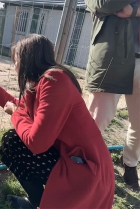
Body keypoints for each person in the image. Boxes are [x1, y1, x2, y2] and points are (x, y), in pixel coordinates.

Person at [0, 34, 115, 209]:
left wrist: (15, 115)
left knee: (13, 143)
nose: (15, 67)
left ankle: (39, 204)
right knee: (13, 142)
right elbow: (20, 107)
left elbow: (36, 143)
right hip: (73, 160)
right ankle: (38, 203)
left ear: (27, 59)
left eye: (16, 60)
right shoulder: (43, 82)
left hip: (88, 172)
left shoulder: (54, 81)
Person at [85, 0, 140, 190]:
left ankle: (130, 164)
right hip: (110, 59)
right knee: (97, 120)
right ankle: (82, 163)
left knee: (139, 123)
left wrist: (134, 11)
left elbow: (126, 9)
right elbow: (101, 4)